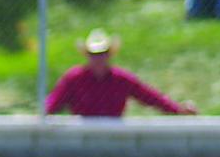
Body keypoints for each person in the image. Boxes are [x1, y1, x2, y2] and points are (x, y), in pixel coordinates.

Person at [45, 28, 196, 117]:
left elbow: (149, 96)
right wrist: (40, 116)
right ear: (87, 56)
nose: (98, 58)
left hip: (114, 133)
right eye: (94, 54)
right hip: (83, 134)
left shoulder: (121, 79)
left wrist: (177, 109)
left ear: (109, 54)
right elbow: (54, 102)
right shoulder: (74, 78)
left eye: (102, 53)